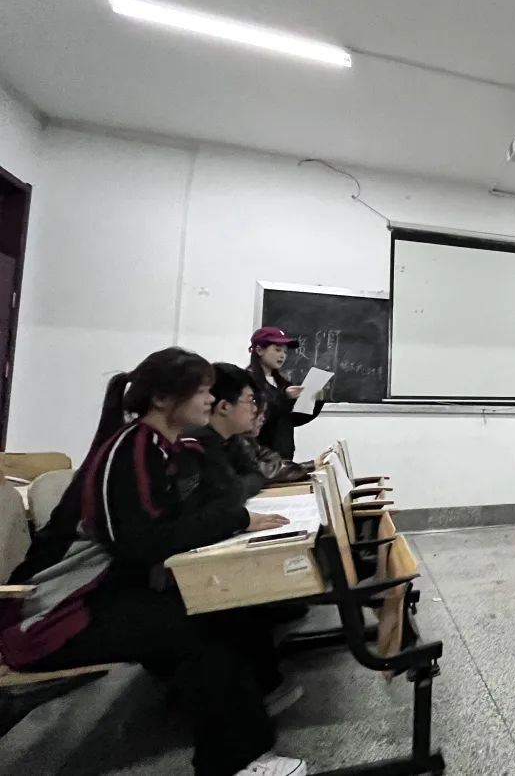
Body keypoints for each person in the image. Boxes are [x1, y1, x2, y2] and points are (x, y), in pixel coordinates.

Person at [2, 348, 306, 776]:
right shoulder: (130, 450)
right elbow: (142, 543)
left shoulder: (162, 447)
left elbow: (186, 519)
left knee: (222, 609)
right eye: (200, 391)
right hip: (54, 612)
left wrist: (227, 517)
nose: (209, 399)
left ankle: (235, 709)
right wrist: (236, 519)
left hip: (106, 593)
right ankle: (235, 762)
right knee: (200, 626)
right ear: (163, 398)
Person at [177, 363, 267, 509]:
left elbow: (256, 476)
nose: (255, 410)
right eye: (251, 401)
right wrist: (237, 489)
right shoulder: (196, 442)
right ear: (224, 406)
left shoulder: (231, 439)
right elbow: (227, 495)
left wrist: (237, 488)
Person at [247, 327, 323, 461]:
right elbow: (259, 417)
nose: (282, 355)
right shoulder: (247, 381)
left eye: (285, 351)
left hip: (285, 457)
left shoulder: (283, 383)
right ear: (259, 350)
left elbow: (292, 419)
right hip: (259, 457)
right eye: (277, 350)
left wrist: (315, 400)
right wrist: (284, 398)